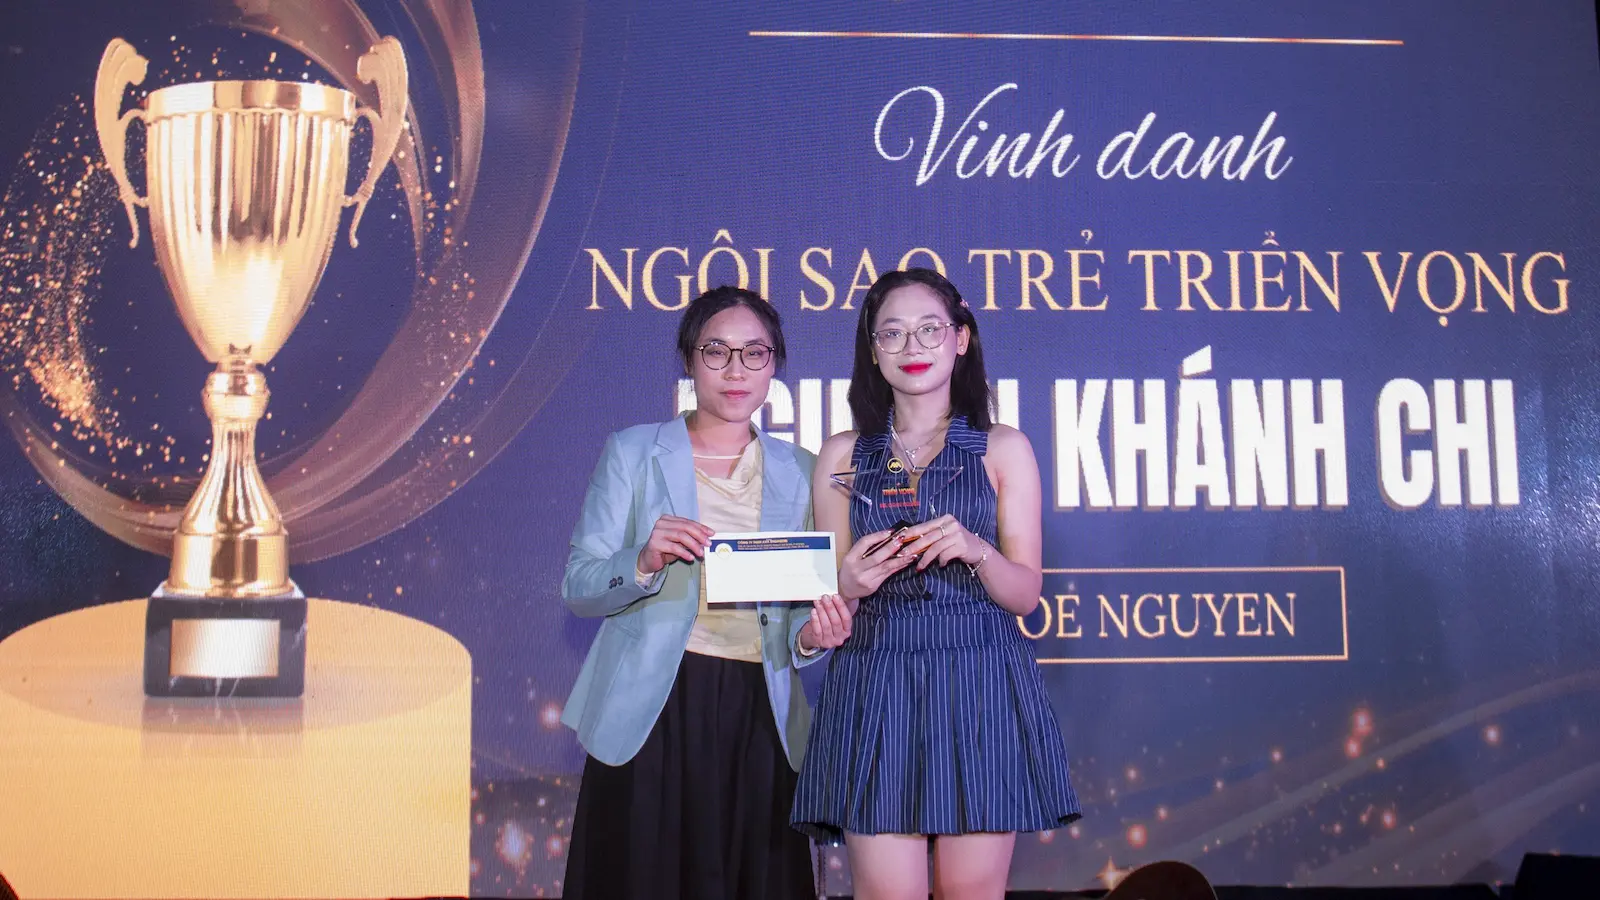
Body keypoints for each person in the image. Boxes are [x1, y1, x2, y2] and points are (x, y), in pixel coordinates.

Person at [790, 268, 1081, 899]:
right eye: (891, 334)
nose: (911, 347)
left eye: (929, 330)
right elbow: (829, 600)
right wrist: (848, 584)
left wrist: (976, 550)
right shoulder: (841, 457)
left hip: (980, 681)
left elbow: (1026, 593)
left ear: (961, 340)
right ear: (872, 351)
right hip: (877, 680)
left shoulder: (1003, 449)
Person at [560, 285, 855, 900]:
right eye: (717, 351)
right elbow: (581, 586)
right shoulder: (635, 451)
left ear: (775, 364)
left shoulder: (804, 469)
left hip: (760, 707)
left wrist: (815, 635)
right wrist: (642, 559)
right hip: (654, 705)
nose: (736, 369)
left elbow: (803, 608)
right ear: (689, 360)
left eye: (755, 353)